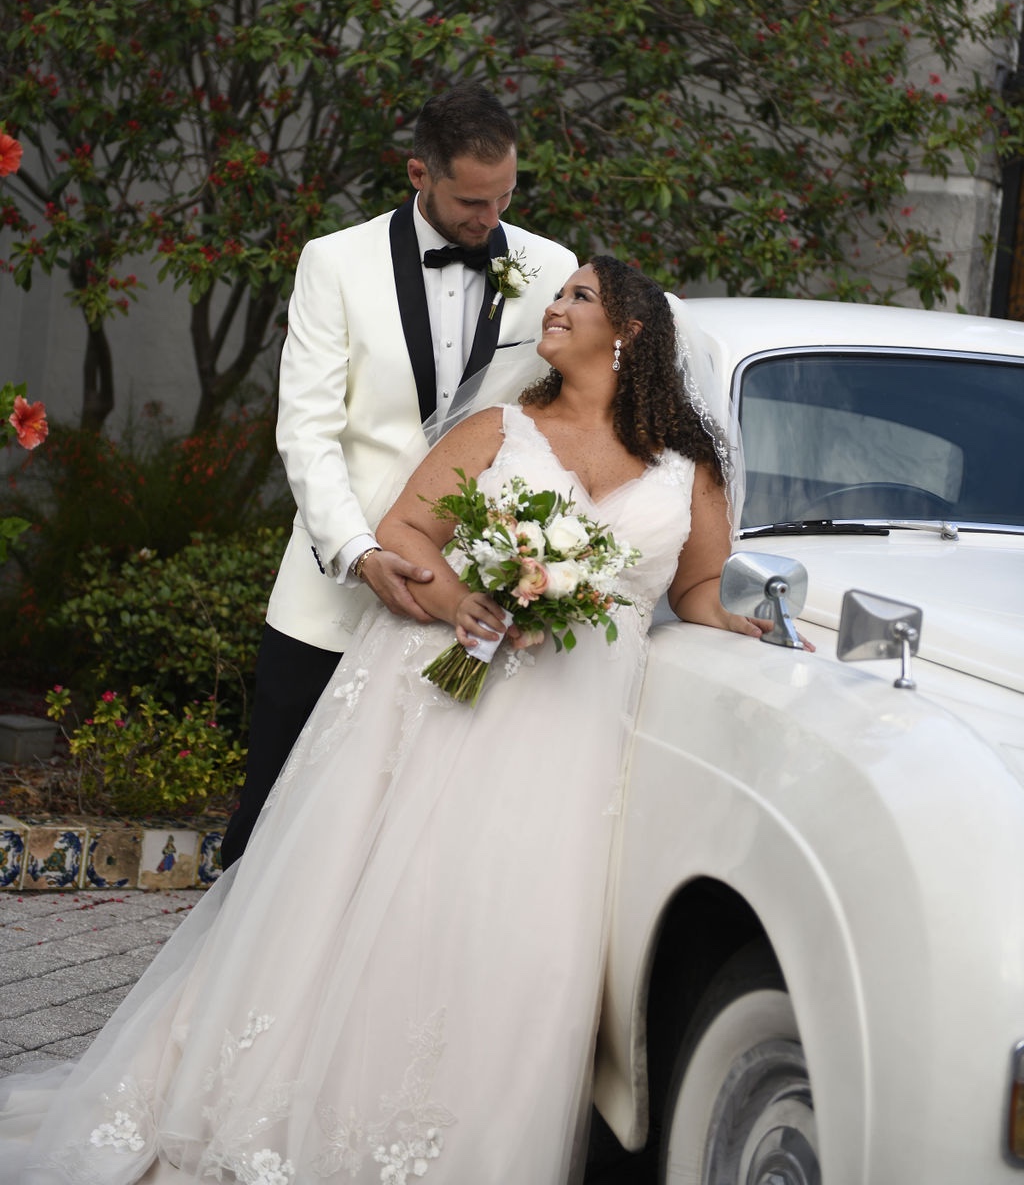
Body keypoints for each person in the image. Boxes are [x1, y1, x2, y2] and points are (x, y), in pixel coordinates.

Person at [0, 257, 762, 1184]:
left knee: (513, 928)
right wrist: (457, 603)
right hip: (450, 698)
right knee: (393, 897)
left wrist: (733, 624)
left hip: (572, 733)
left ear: (630, 333)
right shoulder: (499, 429)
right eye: (558, 293)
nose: (555, 309)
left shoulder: (691, 471)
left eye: (579, 298)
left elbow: (694, 588)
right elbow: (404, 534)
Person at [219, 81, 578, 867]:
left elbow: (567, 409)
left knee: (410, 842)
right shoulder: (335, 263)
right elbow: (307, 429)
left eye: (504, 198)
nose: (489, 223)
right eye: (471, 204)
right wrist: (356, 550)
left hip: (471, 597)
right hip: (333, 593)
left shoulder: (545, 267)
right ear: (420, 174)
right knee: (270, 828)